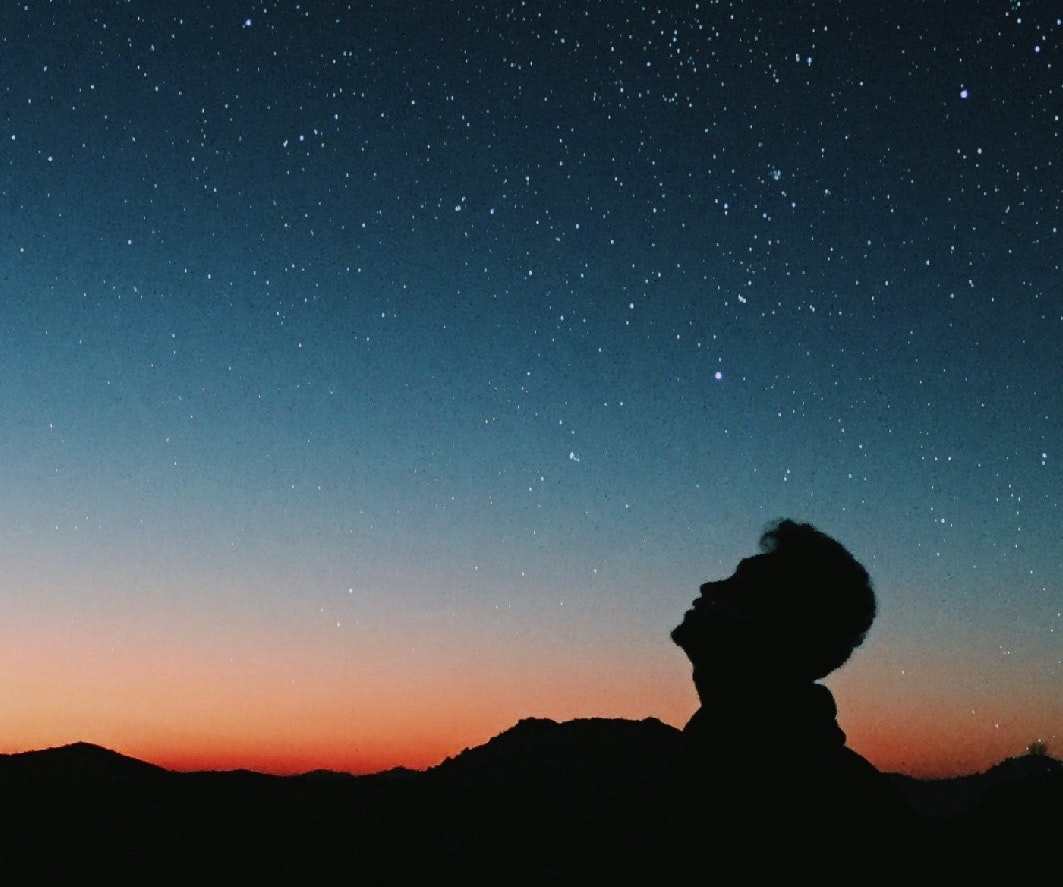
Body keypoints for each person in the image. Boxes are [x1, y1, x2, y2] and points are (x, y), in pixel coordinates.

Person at [663, 519, 918, 874]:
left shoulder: (800, 793)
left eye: (739, 587)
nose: (709, 586)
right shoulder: (723, 751)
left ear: (775, 630)